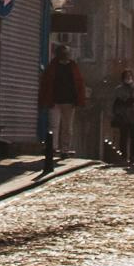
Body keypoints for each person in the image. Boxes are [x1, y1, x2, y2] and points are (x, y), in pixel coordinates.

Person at [39, 40, 87, 172]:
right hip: (54, 101)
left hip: (69, 101)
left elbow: (79, 84)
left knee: (67, 127)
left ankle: (65, 149)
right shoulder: (53, 66)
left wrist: (79, 99)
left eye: (67, 53)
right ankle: (53, 148)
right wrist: (44, 99)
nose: (66, 56)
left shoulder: (73, 66)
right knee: (54, 125)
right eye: (64, 53)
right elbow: (46, 83)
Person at [107, 68, 134, 167]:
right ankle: (123, 157)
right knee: (123, 137)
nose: (128, 78)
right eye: (126, 76)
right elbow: (115, 103)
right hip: (123, 116)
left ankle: (133, 157)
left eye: (130, 76)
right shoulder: (119, 90)